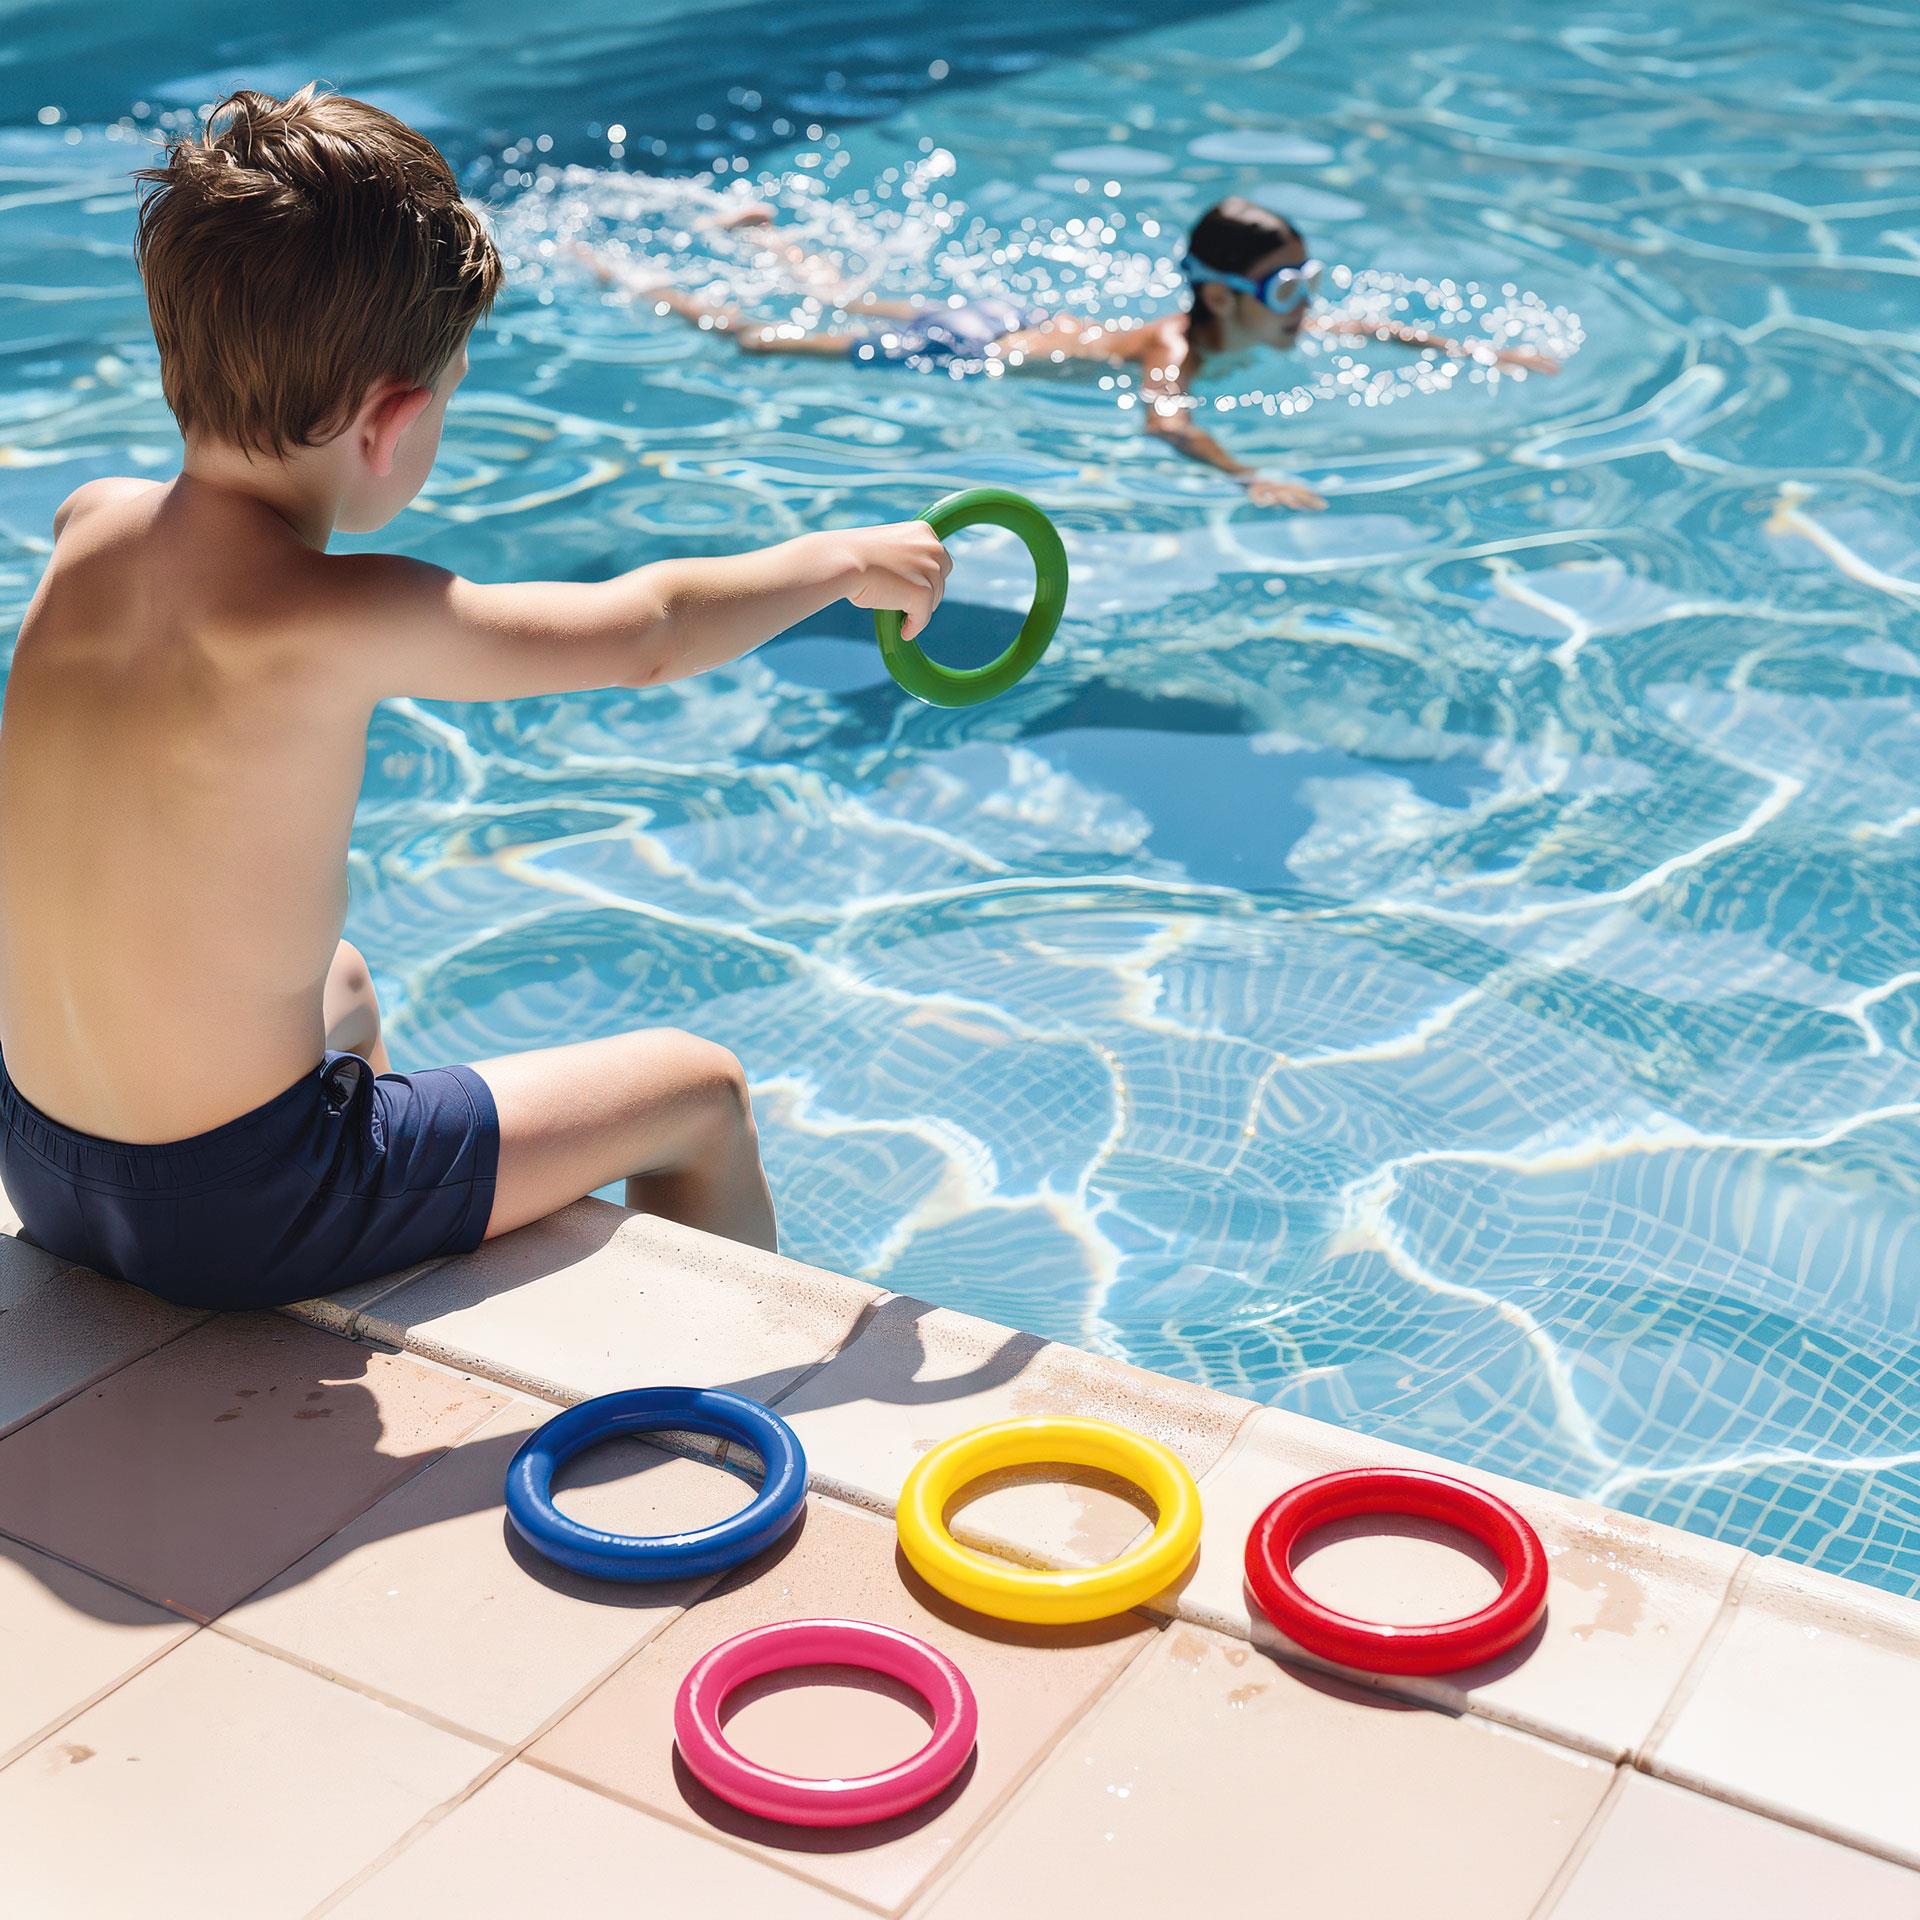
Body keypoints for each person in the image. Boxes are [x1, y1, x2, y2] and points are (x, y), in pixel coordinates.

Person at [0, 85, 950, 1310]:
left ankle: (397, 1254)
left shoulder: (87, 523)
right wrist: (840, 560)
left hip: (42, 1161)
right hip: (236, 1215)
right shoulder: (335, 616)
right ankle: (705, 1404)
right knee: (700, 1090)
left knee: (340, 984)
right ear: (392, 421)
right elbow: (649, 634)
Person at [579, 194, 1560, 513]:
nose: (1309, 307)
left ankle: (761, 234)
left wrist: (1476, 349)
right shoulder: (1174, 343)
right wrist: (1245, 473)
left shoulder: (1261, 322)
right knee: (764, 341)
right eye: (1286, 291)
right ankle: (624, 274)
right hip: (973, 348)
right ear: (1224, 298)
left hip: (1015, 316)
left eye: (1307, 282)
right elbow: (1165, 422)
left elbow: (1366, 328)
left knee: (845, 294)